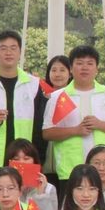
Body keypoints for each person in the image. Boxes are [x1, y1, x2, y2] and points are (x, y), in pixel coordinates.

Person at [43, 45, 105, 198]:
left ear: (97, 69)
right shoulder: (58, 97)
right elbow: (47, 133)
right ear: (71, 68)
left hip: (104, 172)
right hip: (70, 170)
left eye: (90, 63)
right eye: (79, 63)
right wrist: (75, 130)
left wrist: (100, 124)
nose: (84, 67)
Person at [0, 31, 46, 197]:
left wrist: (37, 159)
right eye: (3, 48)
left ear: (20, 52)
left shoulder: (33, 85)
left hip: (24, 160)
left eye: (13, 48)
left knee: (24, 206)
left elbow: (39, 127)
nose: (8, 52)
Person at [4, 139, 58, 210]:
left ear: (34, 161)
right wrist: (17, 191)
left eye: (26, 158)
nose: (21, 163)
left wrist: (40, 194)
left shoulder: (49, 188)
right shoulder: (2, 188)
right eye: (16, 159)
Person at [43, 55, 73, 200]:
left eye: (62, 70)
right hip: (45, 156)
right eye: (53, 70)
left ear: (70, 73)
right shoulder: (41, 97)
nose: (58, 74)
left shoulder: (74, 97)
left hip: (67, 159)